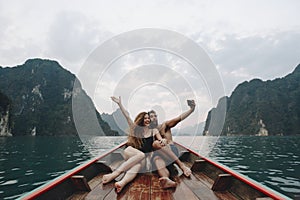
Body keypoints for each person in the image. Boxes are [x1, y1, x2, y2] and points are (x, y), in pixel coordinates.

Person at [102, 96, 165, 193]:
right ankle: (114, 174)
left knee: (138, 165)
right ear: (141, 120)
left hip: (142, 159)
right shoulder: (136, 129)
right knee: (140, 154)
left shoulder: (154, 131)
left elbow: (161, 140)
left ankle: (122, 183)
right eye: (145, 118)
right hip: (130, 153)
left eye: (148, 118)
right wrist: (120, 104)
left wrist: (163, 141)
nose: (147, 120)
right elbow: (127, 116)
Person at [150, 100, 196, 187]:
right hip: (160, 156)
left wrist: (192, 109)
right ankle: (166, 180)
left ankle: (182, 166)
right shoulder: (148, 132)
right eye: (151, 116)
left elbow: (179, 118)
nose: (154, 118)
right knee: (157, 160)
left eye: (155, 116)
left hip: (171, 151)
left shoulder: (165, 125)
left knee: (155, 144)